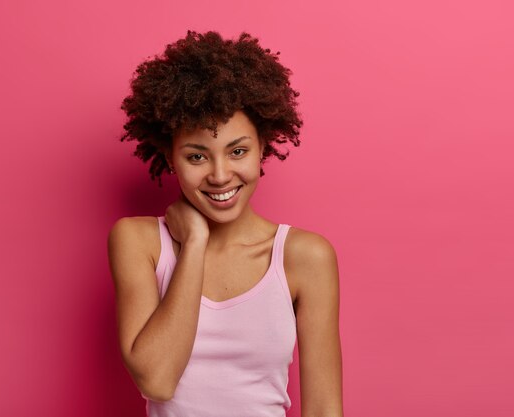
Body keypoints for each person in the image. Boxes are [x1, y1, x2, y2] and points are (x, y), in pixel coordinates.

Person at [108, 30, 343, 417]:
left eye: (237, 151)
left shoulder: (304, 256)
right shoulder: (139, 241)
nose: (220, 175)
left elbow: (323, 408)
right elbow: (156, 380)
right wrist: (195, 243)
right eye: (197, 157)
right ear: (169, 157)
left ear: (263, 147)